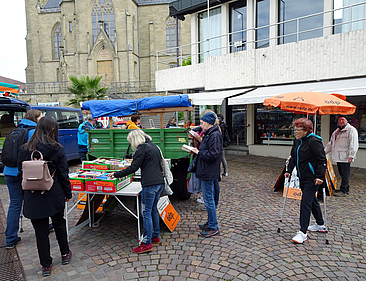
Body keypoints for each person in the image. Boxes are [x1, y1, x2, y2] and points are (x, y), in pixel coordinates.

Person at [18, 116, 72, 277]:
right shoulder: (56, 148)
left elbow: (20, 173)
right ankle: (64, 253)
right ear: (52, 129)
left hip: (32, 193)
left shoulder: (25, 148)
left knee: (40, 231)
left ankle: (46, 265)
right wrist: (68, 193)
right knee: (59, 223)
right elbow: (63, 173)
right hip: (53, 191)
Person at [108, 130, 164, 254]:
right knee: (153, 210)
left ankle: (147, 242)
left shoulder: (141, 148)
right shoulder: (153, 146)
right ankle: (155, 236)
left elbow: (133, 167)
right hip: (159, 182)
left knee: (146, 212)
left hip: (150, 184)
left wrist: (116, 174)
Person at [4, 110, 43, 249]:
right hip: (25, 173)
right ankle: (43, 226)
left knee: (14, 205)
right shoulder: (33, 132)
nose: (42, 120)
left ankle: (10, 238)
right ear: (35, 119)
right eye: (40, 118)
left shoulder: (15, 130)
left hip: (9, 172)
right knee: (36, 200)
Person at [285, 118, 327, 244]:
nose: (295, 132)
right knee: (311, 200)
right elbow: (293, 156)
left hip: (313, 178)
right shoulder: (297, 141)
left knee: (305, 203)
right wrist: (288, 170)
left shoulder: (314, 141)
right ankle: (320, 224)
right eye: (295, 129)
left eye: (298, 130)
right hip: (302, 176)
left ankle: (302, 232)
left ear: (306, 131)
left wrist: (320, 176)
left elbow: (322, 159)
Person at [191, 112, 223, 238]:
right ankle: (210, 223)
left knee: (209, 200)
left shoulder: (214, 136)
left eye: (202, 122)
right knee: (208, 199)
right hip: (206, 170)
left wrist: (198, 152)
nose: (200, 124)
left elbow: (213, 155)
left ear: (209, 123)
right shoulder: (210, 133)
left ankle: (213, 227)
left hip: (208, 171)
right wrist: (199, 128)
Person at [324, 115, 359, 197]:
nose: (341, 121)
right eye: (339, 120)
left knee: (345, 173)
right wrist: (324, 152)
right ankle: (345, 188)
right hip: (339, 156)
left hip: (345, 156)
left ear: (347, 120)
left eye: (343, 119)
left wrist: (351, 155)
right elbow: (331, 143)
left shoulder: (351, 130)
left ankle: (343, 190)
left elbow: (354, 144)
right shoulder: (337, 130)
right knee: (341, 172)